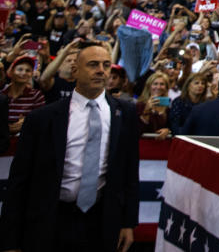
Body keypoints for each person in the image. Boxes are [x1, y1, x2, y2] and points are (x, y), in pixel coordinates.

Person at [0, 41, 139, 251]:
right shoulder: (42, 118)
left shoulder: (126, 113)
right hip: (50, 219)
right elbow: (19, 180)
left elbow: (130, 172)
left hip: (102, 220)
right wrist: (10, 240)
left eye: (106, 65)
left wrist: (128, 223)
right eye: (93, 65)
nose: (101, 71)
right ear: (75, 70)